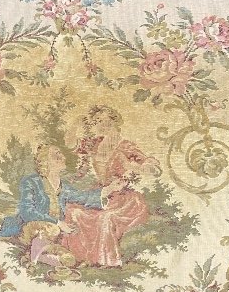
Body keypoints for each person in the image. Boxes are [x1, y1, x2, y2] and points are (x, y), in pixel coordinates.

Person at [61, 106, 160, 269]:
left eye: (102, 119)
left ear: (113, 120)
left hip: (123, 199)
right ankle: (77, 258)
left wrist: (140, 167)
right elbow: (70, 144)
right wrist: (75, 124)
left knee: (104, 218)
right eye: (96, 120)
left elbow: (150, 167)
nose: (98, 123)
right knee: (73, 211)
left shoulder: (125, 146)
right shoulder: (95, 143)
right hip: (100, 193)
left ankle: (105, 261)